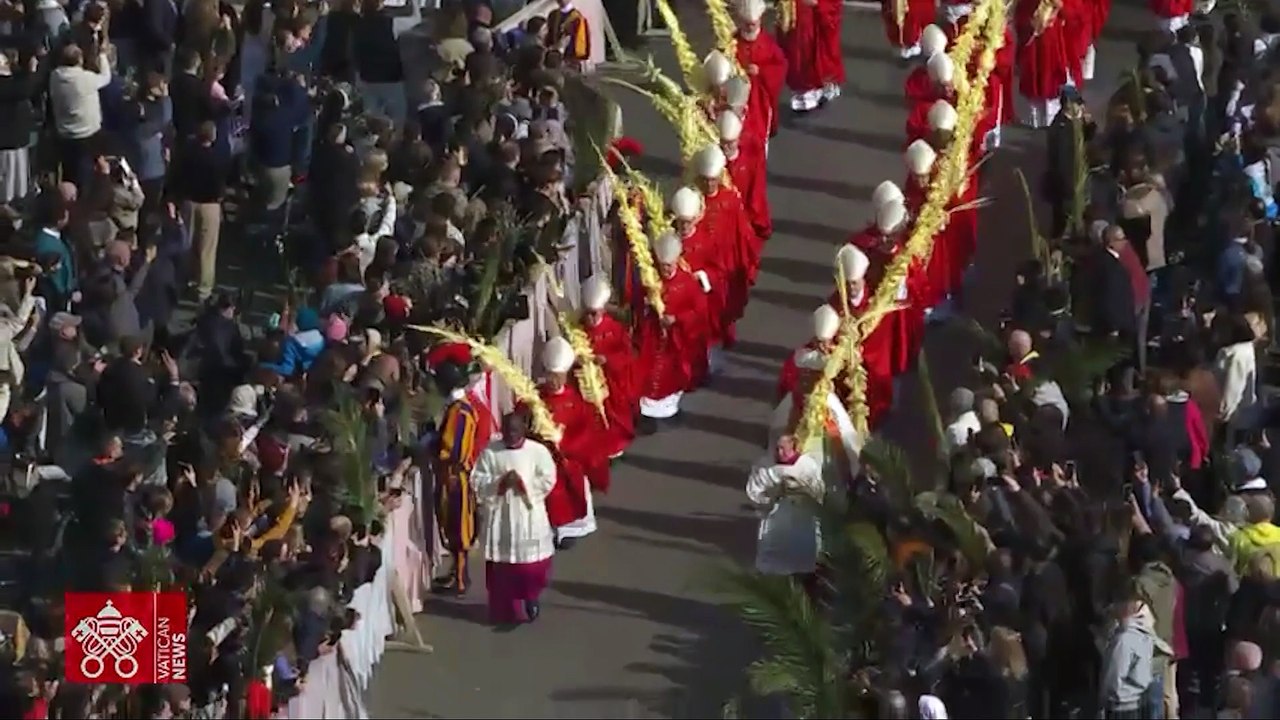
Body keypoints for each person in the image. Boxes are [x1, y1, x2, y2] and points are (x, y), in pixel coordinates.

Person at [471, 410, 558, 627]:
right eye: (506, 430)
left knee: (530, 566)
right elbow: (478, 479)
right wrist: (500, 482)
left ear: (524, 430)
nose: (510, 434)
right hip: (501, 515)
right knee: (503, 568)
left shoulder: (538, 451)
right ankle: (505, 610)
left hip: (528, 514)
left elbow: (548, 478)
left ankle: (531, 597)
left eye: (515, 430)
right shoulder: (491, 452)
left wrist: (523, 484)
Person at [636, 232, 709, 434]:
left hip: (676, 340)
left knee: (672, 374)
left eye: (669, 265)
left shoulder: (687, 282)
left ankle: (669, 409)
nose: (666, 270)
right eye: (663, 265)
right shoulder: (652, 282)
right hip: (654, 336)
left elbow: (699, 311)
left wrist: (677, 319)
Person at [536, 337, 602, 548]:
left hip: (568, 458)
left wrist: (564, 443)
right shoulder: (535, 398)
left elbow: (586, 429)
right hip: (544, 458)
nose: (554, 380)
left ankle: (568, 530)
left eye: (559, 375)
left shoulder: (575, 399)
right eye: (551, 375)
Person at [431, 360, 483, 595]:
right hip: (453, 475)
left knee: (457, 527)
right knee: (452, 525)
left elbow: (453, 450)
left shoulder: (459, 412)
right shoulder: (461, 408)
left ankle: (460, 578)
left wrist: (434, 447)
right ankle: (457, 573)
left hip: (455, 477)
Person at [746, 434, 825, 578]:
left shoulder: (807, 466)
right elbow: (754, 491)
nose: (779, 453)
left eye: (783, 449)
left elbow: (818, 490)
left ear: (793, 447)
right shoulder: (764, 466)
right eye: (777, 449)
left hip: (803, 516)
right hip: (776, 517)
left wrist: (802, 493)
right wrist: (772, 497)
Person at [578, 276, 638, 458]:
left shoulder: (615, 329)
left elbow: (628, 355)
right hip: (589, 384)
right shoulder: (577, 331)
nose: (590, 317)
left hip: (612, 383)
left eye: (594, 313)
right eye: (587, 312)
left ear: (603, 310)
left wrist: (608, 360)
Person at [733, 0, 788, 138]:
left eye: (754, 24)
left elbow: (780, 65)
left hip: (761, 97)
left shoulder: (768, 43)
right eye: (747, 24)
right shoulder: (732, 42)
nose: (751, 27)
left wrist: (761, 71)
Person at [779, 0, 844, 112]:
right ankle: (805, 91)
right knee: (798, 51)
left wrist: (818, 4)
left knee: (816, 50)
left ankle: (821, 86)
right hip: (796, 15)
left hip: (815, 19)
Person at [719, 111, 772, 242]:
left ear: (737, 140)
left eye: (730, 143)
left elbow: (756, 189)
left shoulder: (749, 160)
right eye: (723, 142)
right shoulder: (716, 161)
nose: (726, 147)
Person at [776, 304, 841, 402]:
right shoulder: (800, 355)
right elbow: (786, 381)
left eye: (825, 342)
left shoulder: (838, 355)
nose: (821, 346)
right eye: (818, 341)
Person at [546, 0, 590, 69]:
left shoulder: (578, 18)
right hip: (554, 58)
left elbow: (582, 42)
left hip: (571, 60)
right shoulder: (552, 15)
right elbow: (548, 35)